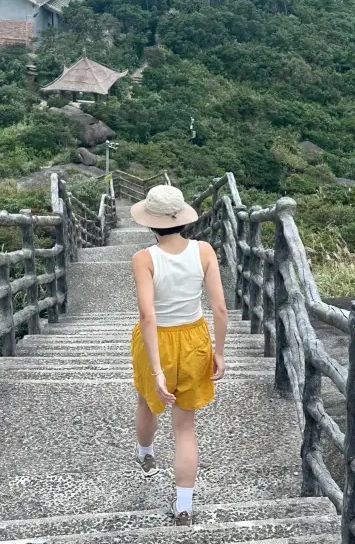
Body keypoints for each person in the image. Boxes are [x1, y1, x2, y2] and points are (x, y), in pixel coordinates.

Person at [130, 185, 229, 527]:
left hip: (155, 342)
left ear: (150, 223)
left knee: (147, 401)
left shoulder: (144, 259)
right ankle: (184, 506)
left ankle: (145, 456)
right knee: (186, 428)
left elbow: (148, 316)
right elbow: (219, 307)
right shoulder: (204, 251)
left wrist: (157, 371)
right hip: (195, 340)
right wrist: (219, 351)